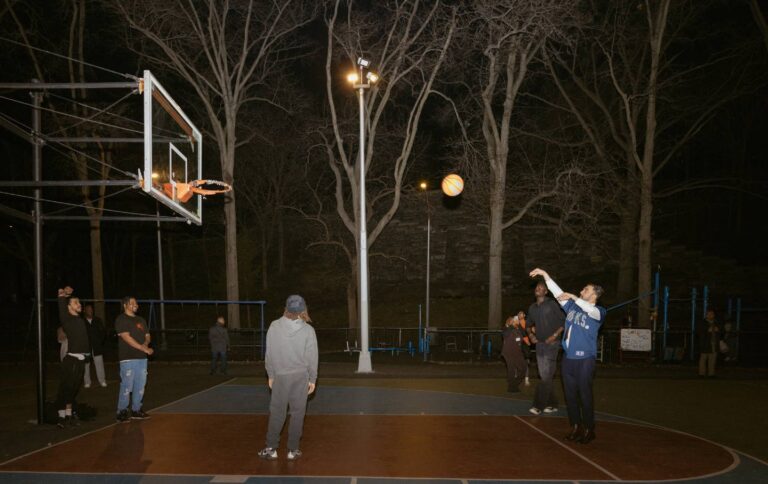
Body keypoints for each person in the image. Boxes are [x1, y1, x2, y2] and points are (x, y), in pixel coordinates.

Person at [529, 268, 605, 445]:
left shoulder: (599, 312)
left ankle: (589, 429)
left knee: (584, 395)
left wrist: (572, 296)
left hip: (585, 359)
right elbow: (557, 293)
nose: (582, 291)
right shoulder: (572, 307)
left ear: (594, 294)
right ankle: (576, 426)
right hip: (568, 359)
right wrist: (545, 275)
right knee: (570, 396)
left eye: (586, 289)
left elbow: (588, 308)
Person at [258, 295, 318, 461]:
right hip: (300, 377)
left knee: (277, 413)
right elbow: (312, 357)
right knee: (298, 414)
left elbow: (269, 354)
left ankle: (271, 448)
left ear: (286, 308)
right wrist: (312, 378)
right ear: (303, 309)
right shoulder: (308, 330)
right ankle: (293, 450)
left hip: (281, 376)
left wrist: (271, 374)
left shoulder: (274, 326)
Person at [526, 281, 565, 416]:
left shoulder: (552, 304)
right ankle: (552, 404)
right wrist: (531, 335)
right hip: (540, 344)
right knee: (545, 376)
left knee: (546, 375)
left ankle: (538, 405)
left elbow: (563, 322)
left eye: (541, 287)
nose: (538, 288)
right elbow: (528, 324)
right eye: (537, 287)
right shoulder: (532, 307)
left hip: (552, 344)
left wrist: (554, 336)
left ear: (546, 292)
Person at [54, 286, 89, 428]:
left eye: (79, 302)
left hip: (80, 360)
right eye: (75, 303)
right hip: (72, 360)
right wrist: (64, 294)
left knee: (73, 390)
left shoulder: (79, 319)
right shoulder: (67, 319)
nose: (79, 304)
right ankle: (62, 417)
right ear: (68, 307)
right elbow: (61, 303)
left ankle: (68, 416)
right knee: (66, 389)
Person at [115, 296, 153, 422]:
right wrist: (143, 348)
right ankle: (122, 411)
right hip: (128, 359)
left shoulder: (141, 320)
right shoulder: (121, 319)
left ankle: (136, 409)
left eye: (136, 303)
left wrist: (145, 344)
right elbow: (126, 337)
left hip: (142, 359)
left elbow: (147, 335)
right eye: (132, 303)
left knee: (140, 385)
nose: (136, 305)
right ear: (125, 305)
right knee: (127, 386)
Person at [501, 314, 528, 393]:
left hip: (518, 353)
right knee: (511, 369)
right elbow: (505, 334)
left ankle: (514, 384)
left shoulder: (518, 329)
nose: (516, 321)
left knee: (523, 368)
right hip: (508, 353)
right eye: (514, 320)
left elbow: (524, 333)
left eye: (516, 320)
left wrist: (518, 325)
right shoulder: (507, 329)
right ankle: (511, 387)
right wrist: (511, 325)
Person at [83, 304, 107, 388]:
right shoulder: (82, 321)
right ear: (84, 311)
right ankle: (87, 382)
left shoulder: (97, 320)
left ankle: (102, 381)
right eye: (88, 309)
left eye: (91, 309)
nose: (90, 311)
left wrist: (99, 341)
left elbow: (103, 332)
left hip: (97, 347)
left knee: (99, 364)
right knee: (86, 365)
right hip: (86, 347)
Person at [697, 309, 721, 377]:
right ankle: (701, 373)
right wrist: (708, 330)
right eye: (709, 314)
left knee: (712, 360)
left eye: (712, 314)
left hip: (714, 344)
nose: (710, 315)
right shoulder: (703, 322)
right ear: (706, 315)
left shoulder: (716, 322)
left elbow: (721, 330)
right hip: (705, 343)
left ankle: (711, 373)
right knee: (703, 358)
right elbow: (700, 332)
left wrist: (717, 330)